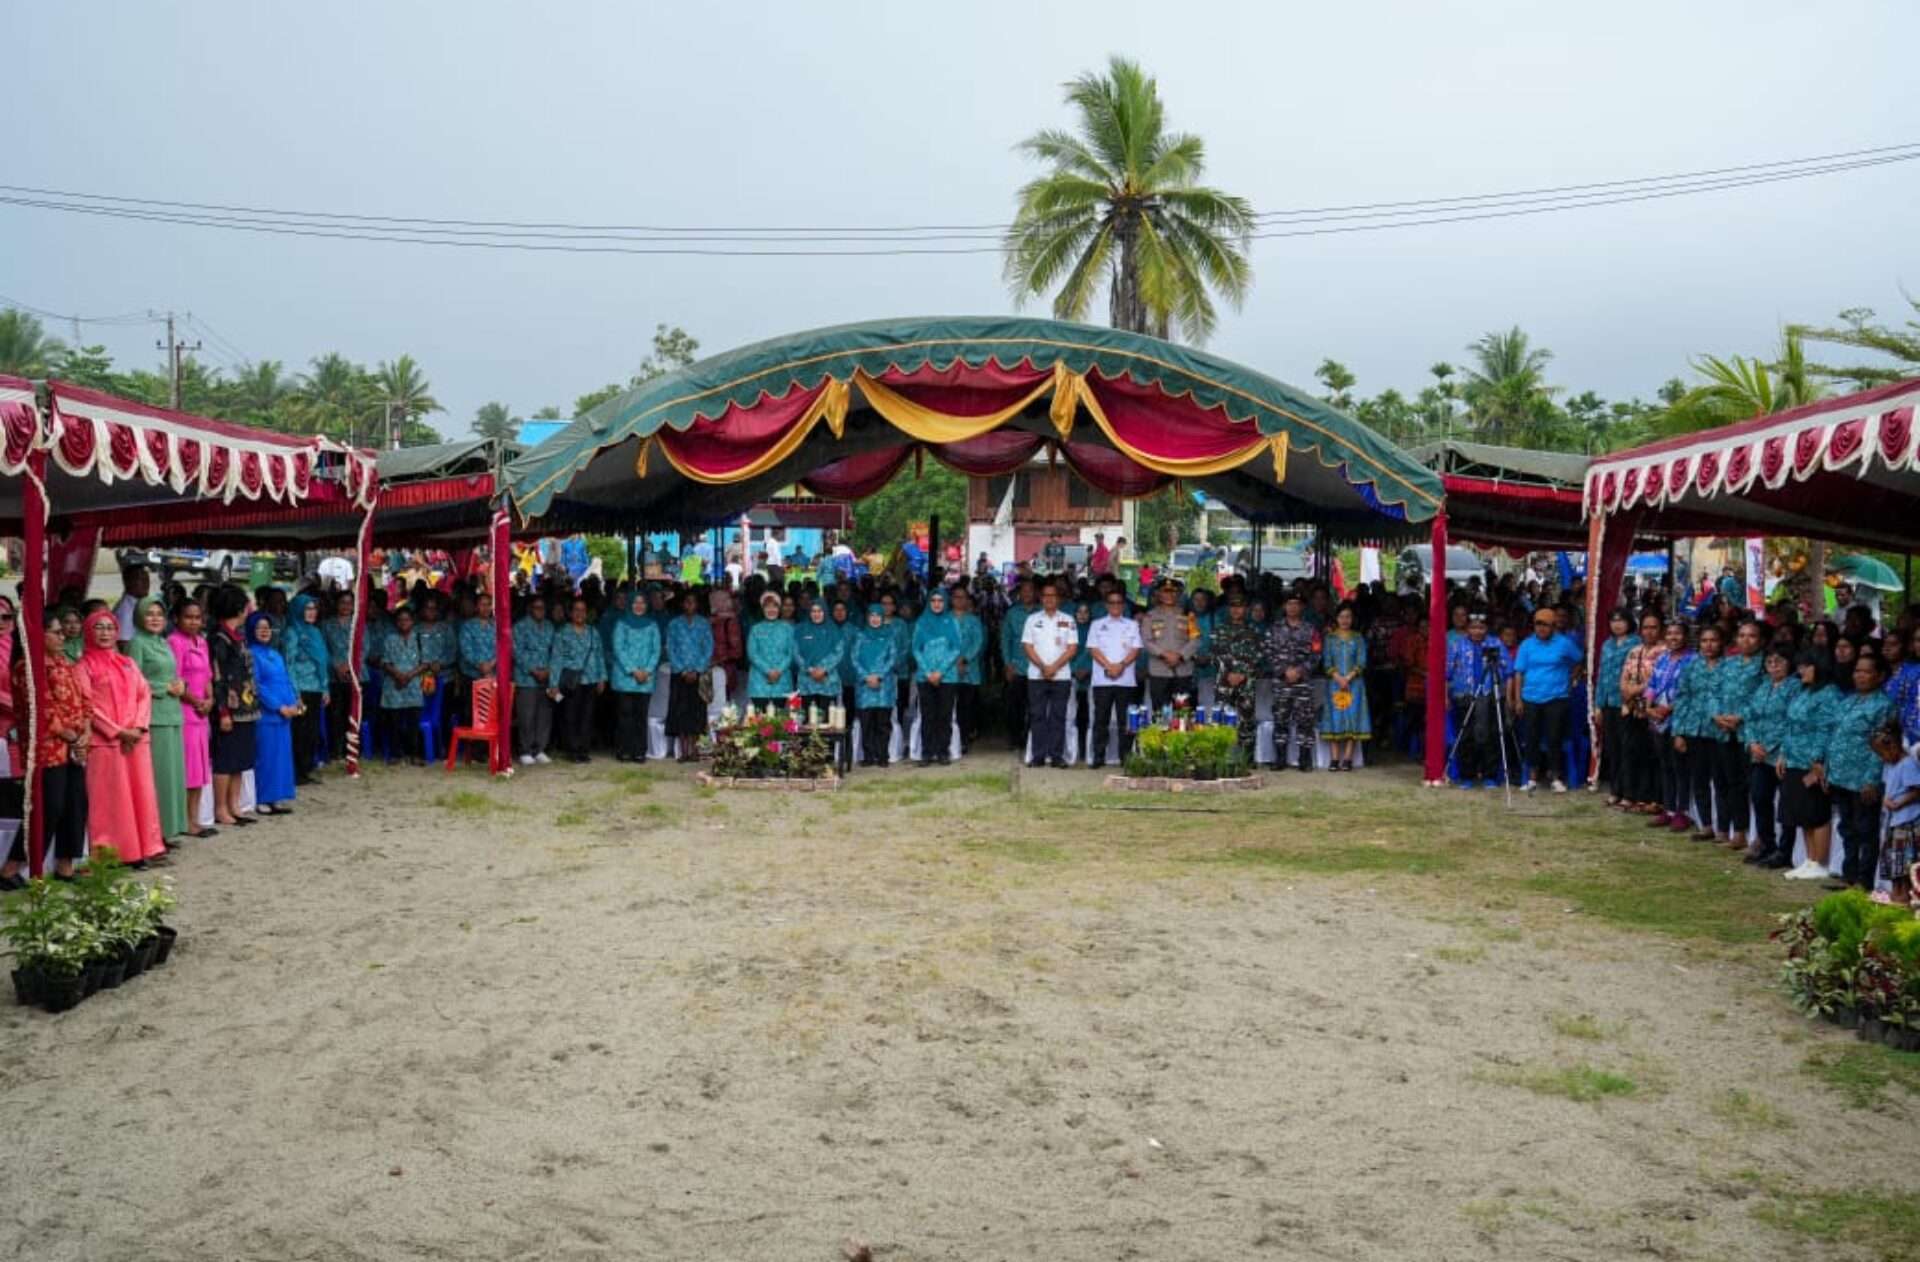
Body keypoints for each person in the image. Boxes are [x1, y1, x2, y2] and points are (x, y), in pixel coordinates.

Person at [1, 610, 88, 885]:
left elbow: (84, 699)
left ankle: (65, 866)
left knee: (75, 805)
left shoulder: (63, 661)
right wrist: (72, 736)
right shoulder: (27, 667)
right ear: (40, 635)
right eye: (57, 632)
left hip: (74, 745)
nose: (63, 636)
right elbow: (42, 710)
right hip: (48, 749)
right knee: (47, 809)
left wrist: (84, 730)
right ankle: (11, 869)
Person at [79, 607, 166, 865]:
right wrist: (117, 731)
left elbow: (144, 694)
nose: (105, 633)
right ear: (88, 631)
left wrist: (138, 727)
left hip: (135, 740)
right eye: (98, 627)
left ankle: (143, 848)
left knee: (141, 794)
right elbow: (87, 706)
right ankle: (112, 852)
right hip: (106, 743)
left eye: (110, 628)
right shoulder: (83, 665)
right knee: (109, 799)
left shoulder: (128, 662)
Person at [1827, 652, 1895, 889]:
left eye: (1866, 671)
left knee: (1866, 831)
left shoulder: (1883, 706)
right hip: (1841, 776)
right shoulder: (1849, 700)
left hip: (1863, 779)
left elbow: (1882, 747)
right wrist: (1827, 768)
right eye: (1857, 670)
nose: (1860, 675)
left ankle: (1864, 881)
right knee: (1847, 829)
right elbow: (1835, 735)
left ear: (1879, 676)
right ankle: (1849, 876)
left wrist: (1871, 781)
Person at [128, 598, 189, 840]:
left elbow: (173, 674)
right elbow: (134, 681)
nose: (155, 618)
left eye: (159, 614)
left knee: (173, 775)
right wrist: (165, 688)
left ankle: (171, 828)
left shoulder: (163, 642)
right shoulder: (137, 644)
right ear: (139, 617)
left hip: (173, 713)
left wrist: (180, 685)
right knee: (159, 776)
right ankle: (156, 832)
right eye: (149, 614)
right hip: (154, 715)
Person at [1779, 653, 1842, 881]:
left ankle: (1820, 862)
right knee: (1802, 812)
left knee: (1817, 812)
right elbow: (1791, 724)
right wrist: (1783, 754)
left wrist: (1818, 761)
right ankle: (1809, 859)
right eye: (1799, 666)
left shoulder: (1830, 694)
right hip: (1795, 758)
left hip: (1813, 761)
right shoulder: (1803, 692)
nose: (1800, 671)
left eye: (1806, 667)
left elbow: (1827, 728)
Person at [1509, 607, 1583, 793]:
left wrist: (1572, 680)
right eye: (1538, 624)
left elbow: (1579, 660)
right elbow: (1519, 673)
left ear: (1553, 626)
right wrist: (1518, 699)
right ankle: (1532, 777)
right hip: (1531, 697)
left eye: (1545, 625)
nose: (1541, 628)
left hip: (1557, 697)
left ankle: (1555, 777)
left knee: (1554, 737)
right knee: (1531, 738)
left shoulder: (1564, 643)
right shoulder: (1526, 645)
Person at [1739, 645, 1800, 868]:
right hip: (1759, 754)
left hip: (1782, 755)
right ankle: (1766, 844)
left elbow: (1794, 721)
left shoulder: (1795, 688)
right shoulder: (1763, 687)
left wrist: (1781, 749)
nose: (1774, 666)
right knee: (1759, 797)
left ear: (1789, 664)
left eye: (1779, 662)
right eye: (1770, 662)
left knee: (1785, 804)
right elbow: (1750, 717)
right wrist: (1752, 742)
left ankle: (1785, 851)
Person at [168, 599, 216, 837]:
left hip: (202, 713)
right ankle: (185, 820)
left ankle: (195, 818)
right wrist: (196, 702)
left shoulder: (202, 642)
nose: (193, 621)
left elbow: (207, 676)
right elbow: (174, 681)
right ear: (177, 618)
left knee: (199, 769)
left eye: (197, 617)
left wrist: (210, 700)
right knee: (188, 769)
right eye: (188, 617)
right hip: (184, 711)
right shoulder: (174, 642)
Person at [1446, 611, 1507, 788]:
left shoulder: (1495, 643)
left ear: (1486, 628)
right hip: (1464, 695)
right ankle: (1467, 775)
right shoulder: (1457, 645)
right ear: (1467, 629)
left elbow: (1507, 668)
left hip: (1490, 695)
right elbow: (1447, 673)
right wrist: (1445, 696)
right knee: (1466, 736)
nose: (1477, 631)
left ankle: (1489, 775)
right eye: (1473, 627)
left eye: (1481, 627)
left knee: (1491, 736)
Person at [248, 609, 300, 813]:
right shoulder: (251, 653)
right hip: (267, 714)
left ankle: (277, 796)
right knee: (266, 757)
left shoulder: (276, 654)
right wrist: (278, 706)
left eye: (267, 627)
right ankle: (262, 798)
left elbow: (285, 680)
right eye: (259, 627)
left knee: (281, 757)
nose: (264, 631)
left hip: (285, 714)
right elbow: (257, 685)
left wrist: (294, 702)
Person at [1022, 582, 1077, 769]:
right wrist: (1043, 667)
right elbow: (1027, 646)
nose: (1049, 599)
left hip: (1061, 676)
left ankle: (1056, 756)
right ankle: (1038, 756)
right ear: (1041, 598)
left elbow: (1072, 648)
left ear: (1058, 598)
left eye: (1052, 595)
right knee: (1037, 716)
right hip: (1036, 676)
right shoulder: (1032, 620)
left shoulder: (1068, 620)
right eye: (1045, 595)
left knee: (1058, 716)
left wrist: (1053, 667)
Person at [1086, 588, 1143, 770]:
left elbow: (1136, 650)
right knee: (1100, 720)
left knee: (1124, 721)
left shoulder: (1132, 624)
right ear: (1106, 605)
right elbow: (1093, 649)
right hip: (1102, 680)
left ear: (1123, 605)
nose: (1115, 606)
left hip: (1125, 680)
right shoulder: (1096, 624)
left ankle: (1125, 757)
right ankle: (1098, 756)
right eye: (1112, 602)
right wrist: (1109, 666)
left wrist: (1120, 666)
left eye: (1119, 602)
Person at [1644, 622, 1692, 831]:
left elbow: (1690, 692)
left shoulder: (1693, 660)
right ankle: (1669, 808)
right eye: (1670, 633)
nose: (1673, 637)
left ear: (1686, 636)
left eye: (1678, 633)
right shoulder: (1662, 658)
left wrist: (1669, 708)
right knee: (1665, 766)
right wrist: (1648, 706)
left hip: (1678, 718)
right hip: (1657, 718)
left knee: (1679, 766)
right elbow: (1652, 684)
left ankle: (1682, 812)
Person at [1617, 613, 1667, 815]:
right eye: (1646, 627)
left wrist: (1636, 690)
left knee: (1652, 756)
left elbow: (1658, 680)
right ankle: (1632, 794)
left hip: (1652, 709)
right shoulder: (1634, 651)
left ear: (1660, 629)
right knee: (1632, 753)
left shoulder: (1664, 652)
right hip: (1631, 708)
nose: (1649, 631)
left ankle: (1652, 798)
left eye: (1654, 627)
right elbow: (1624, 677)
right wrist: (1626, 691)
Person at [548, 597, 608, 763]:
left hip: (590, 680)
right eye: (576, 610)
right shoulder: (562, 632)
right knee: (570, 716)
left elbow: (599, 656)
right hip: (571, 682)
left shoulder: (593, 632)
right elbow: (556, 659)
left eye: (583, 610)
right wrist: (553, 684)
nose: (580, 613)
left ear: (586, 613)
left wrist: (602, 678)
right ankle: (572, 750)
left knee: (587, 717)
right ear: (571, 612)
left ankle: (584, 749)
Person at [1210, 591, 1266, 764]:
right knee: (1221, 720)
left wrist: (1242, 673)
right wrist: (1229, 673)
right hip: (1224, 682)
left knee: (1247, 721)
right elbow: (1214, 655)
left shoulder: (1254, 631)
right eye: (1233, 607)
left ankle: (1247, 759)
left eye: (1240, 607)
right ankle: (1220, 758)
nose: (1236, 610)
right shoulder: (1219, 630)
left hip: (1246, 682)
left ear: (1246, 609)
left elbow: (1259, 656)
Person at [1268, 593, 1320, 773]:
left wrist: (1299, 671)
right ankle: (1279, 758)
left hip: (1303, 682)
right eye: (1289, 604)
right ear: (1284, 606)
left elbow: (1316, 654)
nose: (1292, 607)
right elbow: (1269, 653)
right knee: (1280, 720)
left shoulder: (1311, 629)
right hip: (1281, 682)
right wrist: (1284, 671)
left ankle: (1304, 759)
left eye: (1296, 604)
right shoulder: (1275, 628)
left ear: (1302, 607)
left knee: (1305, 721)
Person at [610, 589, 662, 764]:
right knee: (625, 715)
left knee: (641, 715)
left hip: (645, 679)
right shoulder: (621, 624)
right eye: (635, 602)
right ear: (630, 604)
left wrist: (646, 670)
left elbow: (656, 650)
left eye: (642, 602)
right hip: (625, 678)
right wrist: (633, 670)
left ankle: (639, 751)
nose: (639, 606)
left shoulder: (652, 625)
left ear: (647, 605)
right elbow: (618, 649)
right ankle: (623, 749)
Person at [283, 594, 329, 785]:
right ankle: (295, 772)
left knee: (311, 731)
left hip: (316, 689)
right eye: (307, 609)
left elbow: (323, 662)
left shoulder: (315, 632)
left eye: (314, 608)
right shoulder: (292, 632)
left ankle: (306, 769)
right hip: (300, 690)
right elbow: (289, 664)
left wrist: (325, 688)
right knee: (299, 732)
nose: (311, 612)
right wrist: (295, 694)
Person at [912, 586, 959, 766]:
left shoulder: (951, 621)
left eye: (940, 601)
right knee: (927, 715)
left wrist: (940, 671)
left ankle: (942, 751)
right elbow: (916, 648)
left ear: (945, 602)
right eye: (933, 600)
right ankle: (927, 752)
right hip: (925, 677)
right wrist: (928, 671)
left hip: (946, 677)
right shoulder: (921, 622)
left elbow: (956, 648)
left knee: (944, 715)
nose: (937, 604)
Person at [1874, 721, 1920, 903]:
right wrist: (1885, 800)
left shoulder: (1908, 764)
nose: (1882, 758)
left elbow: (1916, 790)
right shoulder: (1890, 765)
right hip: (1894, 822)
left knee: (1905, 862)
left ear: (1893, 746)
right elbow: (1889, 788)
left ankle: (1906, 894)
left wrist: (1899, 803)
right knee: (1894, 861)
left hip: (1908, 822)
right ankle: (1896, 893)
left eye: (1882, 753)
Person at [665, 591, 713, 762]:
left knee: (697, 712)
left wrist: (697, 669)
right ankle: (684, 750)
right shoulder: (674, 624)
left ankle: (695, 750)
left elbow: (708, 648)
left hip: (699, 674)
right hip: (680, 674)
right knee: (681, 711)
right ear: (682, 604)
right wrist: (683, 670)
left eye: (693, 602)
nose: (689, 605)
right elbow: (670, 648)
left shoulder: (704, 624)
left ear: (697, 605)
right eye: (687, 602)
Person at [1322, 602, 1370, 772]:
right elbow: (1326, 662)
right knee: (1334, 718)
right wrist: (1337, 677)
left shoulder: (1358, 638)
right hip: (1334, 684)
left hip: (1354, 684)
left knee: (1352, 717)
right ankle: (1334, 759)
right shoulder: (1330, 638)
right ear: (1336, 618)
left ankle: (1348, 758)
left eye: (1348, 617)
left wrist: (1348, 677)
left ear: (1352, 619)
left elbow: (1362, 661)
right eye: (1342, 616)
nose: (1345, 620)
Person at [1595, 609, 1635, 804]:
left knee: (1628, 748)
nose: (1617, 624)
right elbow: (1602, 675)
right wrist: (1598, 705)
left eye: (1621, 620)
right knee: (1612, 748)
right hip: (1608, 702)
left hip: (1626, 702)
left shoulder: (1635, 643)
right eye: (1613, 621)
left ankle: (1628, 792)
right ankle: (1615, 789)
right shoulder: (1607, 645)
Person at [511, 594, 556, 766]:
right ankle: (525, 750)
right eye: (537, 607)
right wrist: (533, 670)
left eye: (543, 608)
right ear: (530, 608)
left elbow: (555, 650)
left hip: (546, 678)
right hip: (526, 679)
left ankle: (540, 749)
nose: (540, 611)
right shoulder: (520, 627)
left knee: (544, 715)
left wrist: (549, 670)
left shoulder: (549, 627)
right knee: (526, 716)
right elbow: (517, 652)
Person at [380, 605, 428, 766]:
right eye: (400, 620)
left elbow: (425, 662)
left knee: (413, 721)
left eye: (406, 620)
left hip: (413, 684)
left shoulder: (419, 638)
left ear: (412, 621)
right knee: (394, 722)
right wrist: (398, 675)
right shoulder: (389, 639)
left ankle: (413, 753)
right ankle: (396, 754)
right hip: (394, 685)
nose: (403, 623)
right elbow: (385, 662)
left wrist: (408, 676)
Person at [851, 604, 897, 768]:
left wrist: (878, 676)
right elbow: (854, 658)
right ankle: (869, 756)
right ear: (867, 617)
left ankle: (883, 755)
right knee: (867, 723)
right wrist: (866, 676)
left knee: (883, 723)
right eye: (872, 615)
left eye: (878, 615)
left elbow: (892, 659)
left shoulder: (889, 636)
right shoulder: (860, 635)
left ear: (883, 618)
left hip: (883, 687)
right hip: (865, 688)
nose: (875, 619)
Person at [1140, 580, 1195, 710]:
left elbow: (1195, 639)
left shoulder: (1189, 615)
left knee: (1182, 713)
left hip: (1182, 671)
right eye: (1165, 591)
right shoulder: (1150, 616)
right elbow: (1146, 640)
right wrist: (1164, 654)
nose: (1169, 595)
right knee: (1159, 713)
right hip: (1159, 671)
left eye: (1173, 592)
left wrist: (1180, 656)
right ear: (1158, 594)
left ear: (1179, 594)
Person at [745, 590, 795, 705]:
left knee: (781, 719)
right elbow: (752, 653)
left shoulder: (788, 629)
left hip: (782, 681)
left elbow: (791, 653)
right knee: (760, 720)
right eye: (767, 607)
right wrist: (768, 671)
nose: (771, 610)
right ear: (762, 609)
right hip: (759, 682)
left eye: (775, 606)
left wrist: (778, 671)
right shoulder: (755, 629)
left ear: (779, 608)